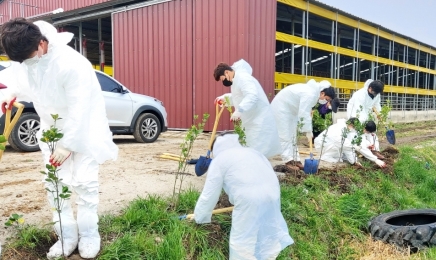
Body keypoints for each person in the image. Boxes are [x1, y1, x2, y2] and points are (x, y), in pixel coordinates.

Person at [0, 18, 118, 259]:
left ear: (42, 43)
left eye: (30, 56)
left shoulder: (72, 64)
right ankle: (66, 237)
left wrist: (67, 145)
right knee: (55, 185)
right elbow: (23, 80)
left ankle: (89, 235)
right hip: (51, 130)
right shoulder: (29, 58)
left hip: (84, 130)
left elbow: (80, 108)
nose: (27, 63)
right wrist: (11, 92)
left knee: (85, 184)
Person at [193, 133, 293, 259]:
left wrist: (200, 217)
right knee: (266, 232)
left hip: (249, 199)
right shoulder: (253, 152)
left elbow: (209, 196)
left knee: (241, 242)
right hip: (273, 193)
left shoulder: (220, 160)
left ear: (216, 149)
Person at [213, 59, 282, 158]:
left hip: (259, 118)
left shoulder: (243, 77)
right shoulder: (236, 80)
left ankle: (256, 168)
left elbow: (251, 95)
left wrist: (239, 110)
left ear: (227, 72)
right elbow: (238, 97)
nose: (223, 81)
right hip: (251, 119)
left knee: (257, 147)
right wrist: (224, 99)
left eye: (222, 78)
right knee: (251, 146)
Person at [270, 79, 336, 168]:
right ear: (322, 93)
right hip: (281, 108)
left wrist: (308, 128)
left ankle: (295, 159)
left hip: (291, 111)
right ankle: (288, 161)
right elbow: (303, 113)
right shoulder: (310, 93)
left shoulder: (313, 94)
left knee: (293, 136)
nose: (325, 101)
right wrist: (308, 131)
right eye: (326, 99)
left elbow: (306, 111)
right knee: (285, 135)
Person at [314, 118, 386, 168]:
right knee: (339, 149)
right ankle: (325, 157)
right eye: (354, 127)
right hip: (322, 144)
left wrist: (367, 145)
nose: (355, 129)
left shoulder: (348, 129)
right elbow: (346, 145)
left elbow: (358, 141)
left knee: (343, 153)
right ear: (351, 124)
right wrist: (355, 160)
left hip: (328, 143)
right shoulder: (340, 129)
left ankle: (331, 155)